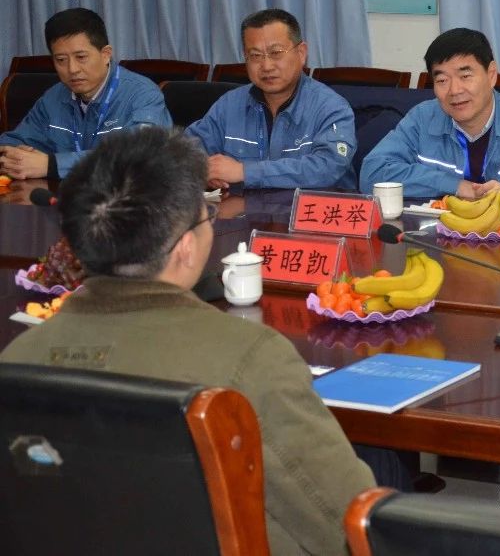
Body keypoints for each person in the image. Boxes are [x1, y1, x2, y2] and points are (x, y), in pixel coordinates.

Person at [0, 127, 375, 553]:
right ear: (185, 248)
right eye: (206, 214)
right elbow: (354, 521)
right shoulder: (250, 359)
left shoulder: (18, 359)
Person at [359, 28, 500, 206]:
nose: (454, 90)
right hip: (438, 238)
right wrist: (453, 185)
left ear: (491, 75)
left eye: (465, 76)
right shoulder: (421, 119)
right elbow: (372, 173)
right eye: (442, 80)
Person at [185, 9, 357, 190]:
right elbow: (186, 153)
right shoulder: (229, 105)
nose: (266, 66)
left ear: (301, 53)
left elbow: (328, 167)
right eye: (255, 55)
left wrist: (244, 172)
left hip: (314, 208)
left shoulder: (331, 107)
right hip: (242, 208)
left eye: (276, 53)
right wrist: (205, 172)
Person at [0, 8, 170, 180]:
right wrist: (15, 158)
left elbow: (141, 157)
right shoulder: (54, 97)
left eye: (81, 57)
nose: (72, 69)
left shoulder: (143, 95)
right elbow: (13, 142)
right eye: (61, 60)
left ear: (106, 55)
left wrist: (51, 165)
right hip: (64, 194)